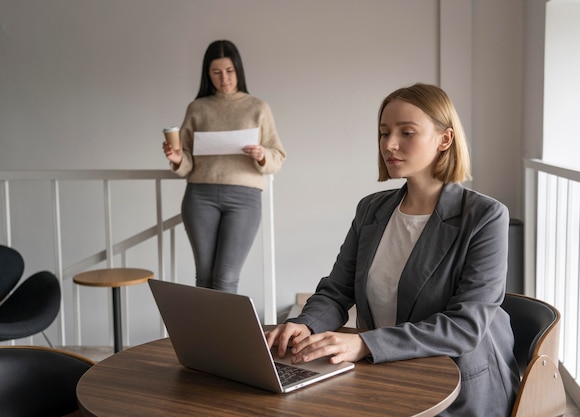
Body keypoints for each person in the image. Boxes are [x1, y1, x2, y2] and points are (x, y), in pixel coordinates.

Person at [266, 83, 519, 416]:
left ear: (445, 139)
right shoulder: (372, 209)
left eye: (407, 132)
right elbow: (337, 291)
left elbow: (465, 326)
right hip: (387, 375)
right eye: (384, 133)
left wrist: (364, 343)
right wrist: (306, 324)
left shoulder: (485, 216)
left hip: (457, 388)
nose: (390, 144)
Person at [163, 40, 286, 293]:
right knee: (205, 276)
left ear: (238, 70)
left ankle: (222, 333)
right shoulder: (197, 108)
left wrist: (262, 154)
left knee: (226, 277)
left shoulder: (257, 107)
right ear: (207, 74)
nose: (224, 78)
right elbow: (187, 163)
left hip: (244, 197)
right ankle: (203, 333)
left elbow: (278, 155)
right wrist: (177, 159)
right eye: (216, 72)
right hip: (200, 195)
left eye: (229, 71)